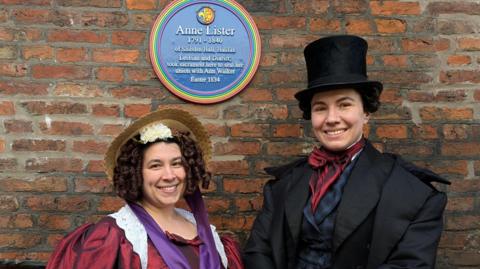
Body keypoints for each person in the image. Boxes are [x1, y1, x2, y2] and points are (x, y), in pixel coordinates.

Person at [243, 35, 449, 269]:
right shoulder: (282, 186)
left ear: (366, 112)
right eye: (320, 108)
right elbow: (258, 252)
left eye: (344, 104)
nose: (332, 119)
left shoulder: (415, 194)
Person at [47, 108, 243, 269]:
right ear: (136, 174)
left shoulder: (208, 233)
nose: (169, 175)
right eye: (155, 165)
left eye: (176, 163)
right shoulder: (116, 236)